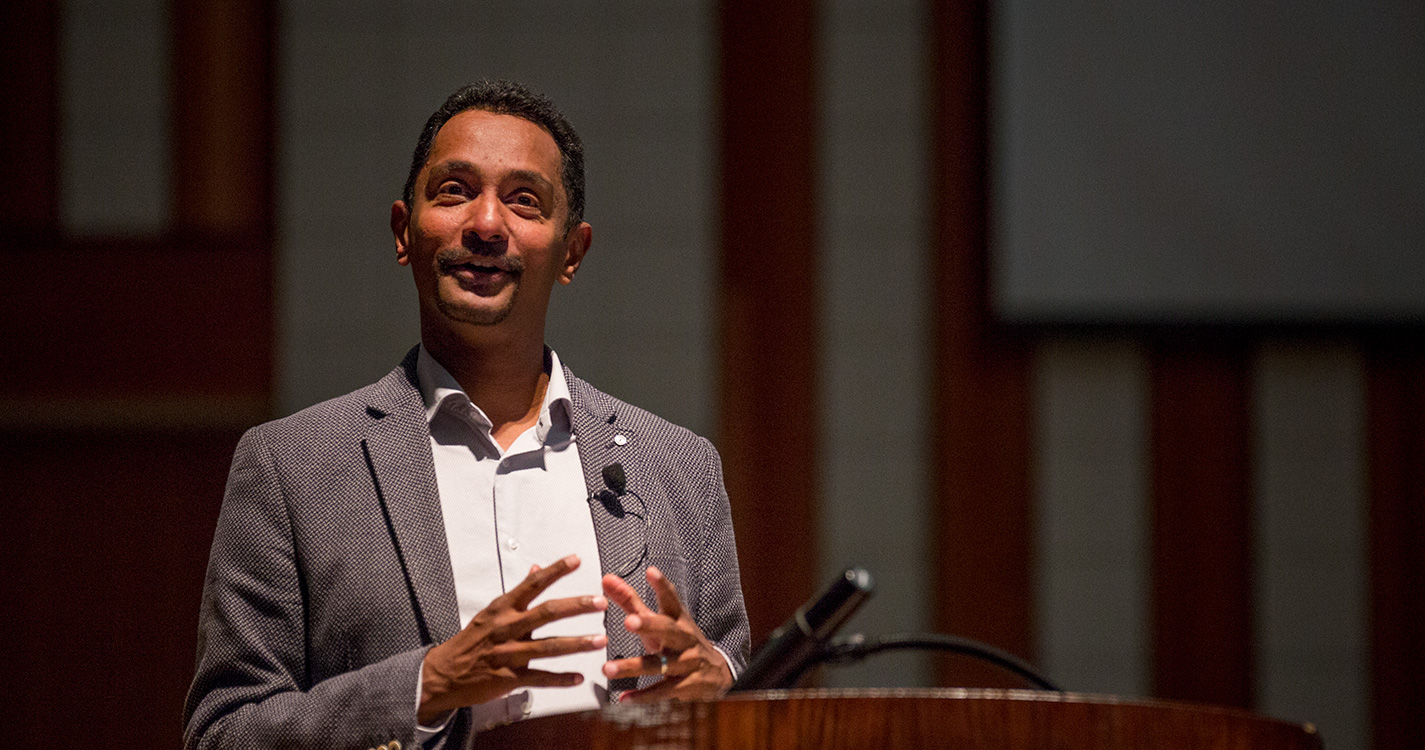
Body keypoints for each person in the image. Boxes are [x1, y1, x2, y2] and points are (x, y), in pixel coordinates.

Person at [183, 80, 749, 750]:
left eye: (523, 201)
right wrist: (424, 687)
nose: (485, 225)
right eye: (454, 190)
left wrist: (721, 688)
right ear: (403, 231)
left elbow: (742, 689)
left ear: (572, 251)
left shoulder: (677, 465)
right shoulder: (291, 466)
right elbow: (223, 734)